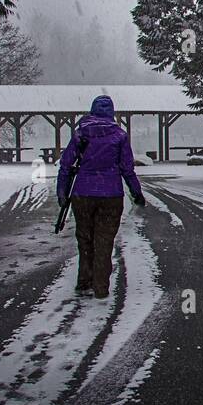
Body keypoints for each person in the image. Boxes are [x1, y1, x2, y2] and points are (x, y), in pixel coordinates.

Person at [56, 95, 145, 298]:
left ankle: (84, 281)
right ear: (112, 113)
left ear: (92, 111)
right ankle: (101, 287)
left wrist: (61, 192)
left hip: (83, 194)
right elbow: (127, 168)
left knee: (85, 238)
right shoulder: (120, 136)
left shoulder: (80, 134)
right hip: (111, 195)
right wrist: (136, 192)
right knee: (104, 240)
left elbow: (66, 164)